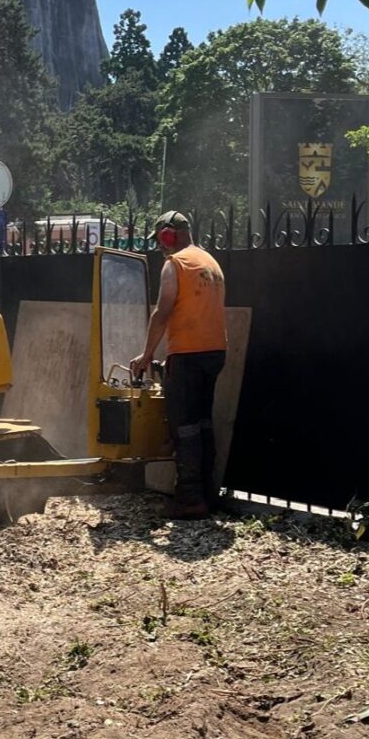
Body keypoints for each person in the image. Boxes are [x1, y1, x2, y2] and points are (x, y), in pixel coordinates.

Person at [130, 211, 226, 519]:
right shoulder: (210, 262)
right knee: (203, 423)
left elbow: (163, 311)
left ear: (168, 235)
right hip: (214, 353)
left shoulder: (176, 264)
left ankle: (189, 499)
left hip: (187, 354)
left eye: (160, 238)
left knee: (183, 426)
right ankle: (208, 493)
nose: (160, 246)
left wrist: (146, 355)